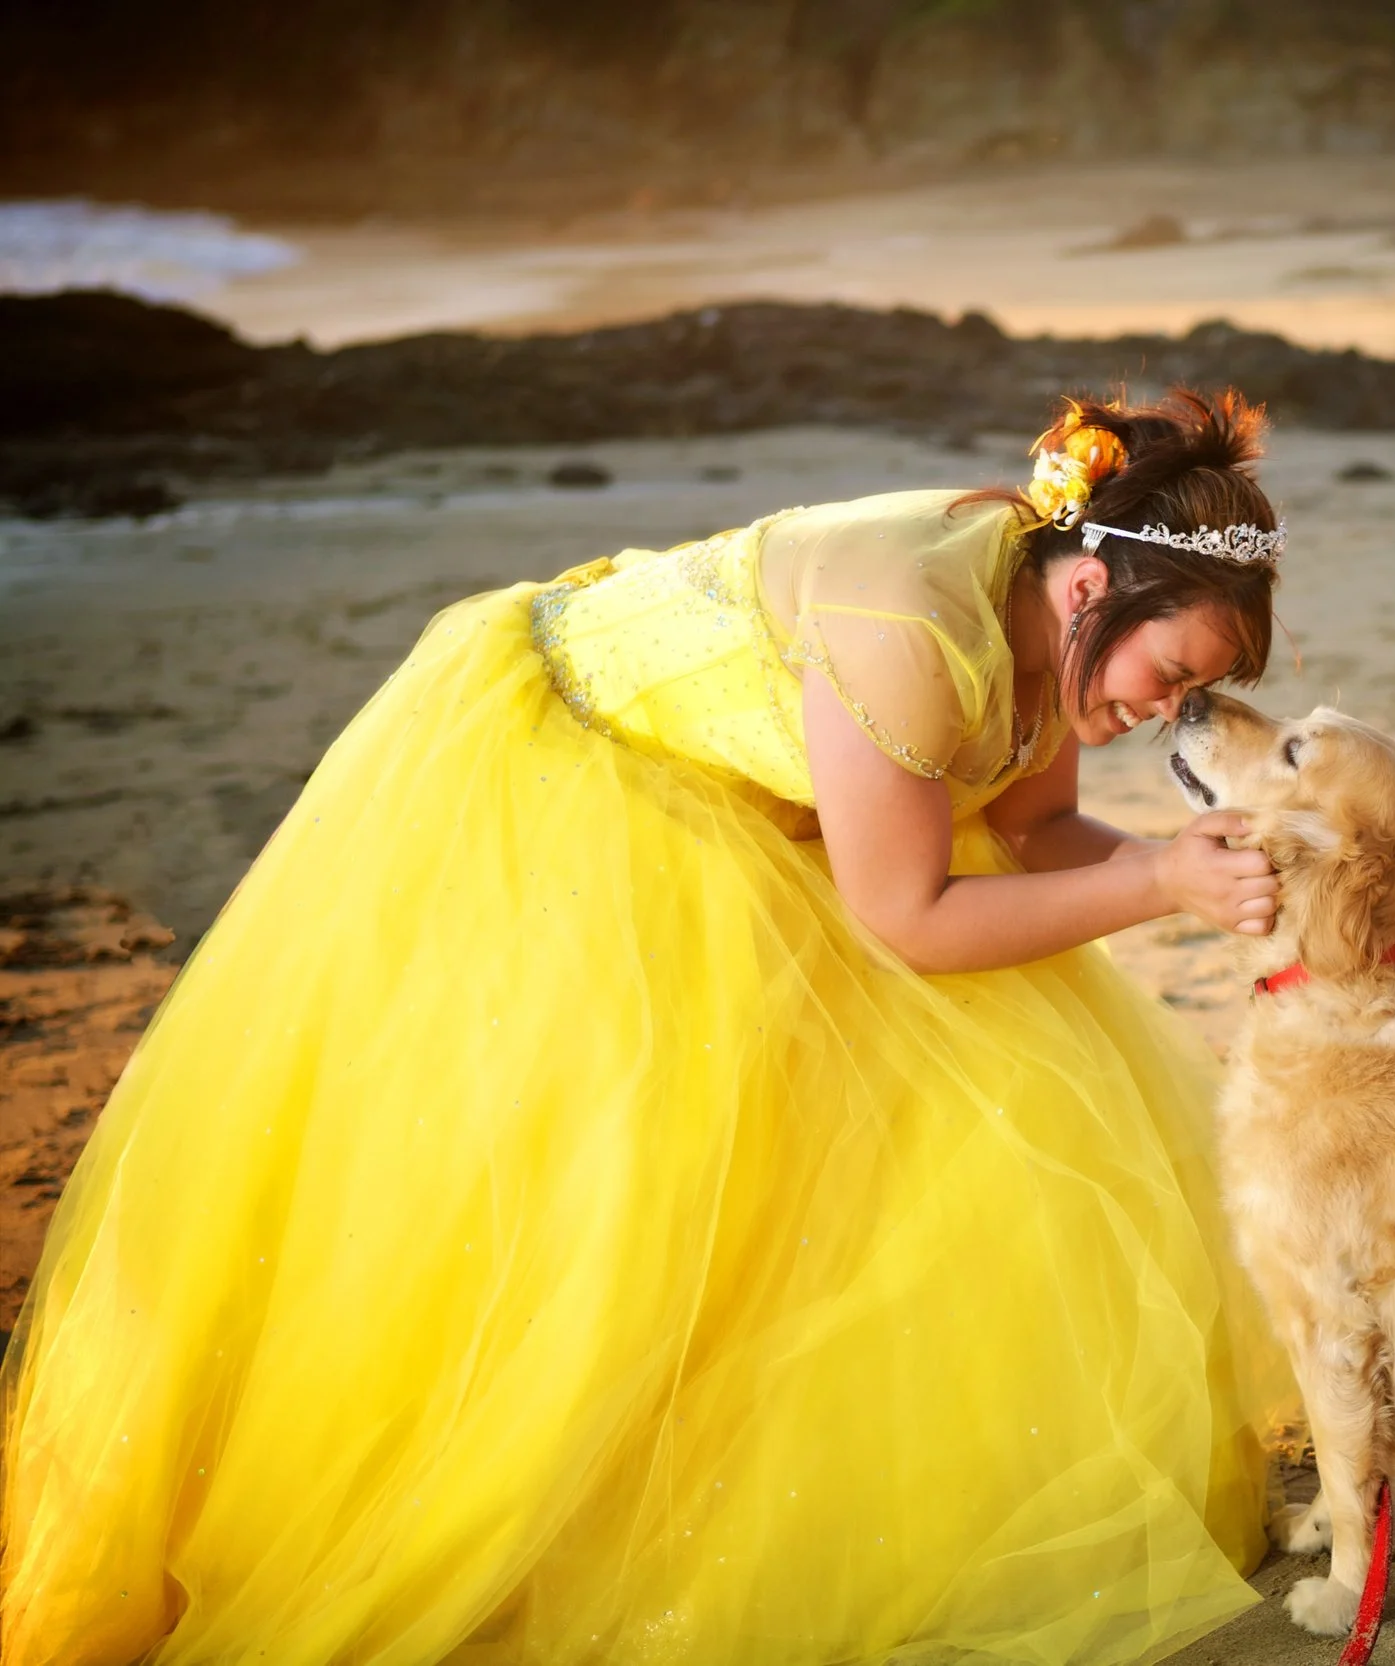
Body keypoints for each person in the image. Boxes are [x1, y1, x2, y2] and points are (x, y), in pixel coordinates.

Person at [2, 389, 1300, 1665]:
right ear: (1089, 593)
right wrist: (1156, 884)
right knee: (615, 1186)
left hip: (782, 820)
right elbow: (906, 915)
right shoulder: (911, 619)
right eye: (1171, 673)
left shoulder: (1044, 625)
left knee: (933, 1131)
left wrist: (1188, 862)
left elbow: (1028, 830)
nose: (1165, 712)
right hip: (596, 788)